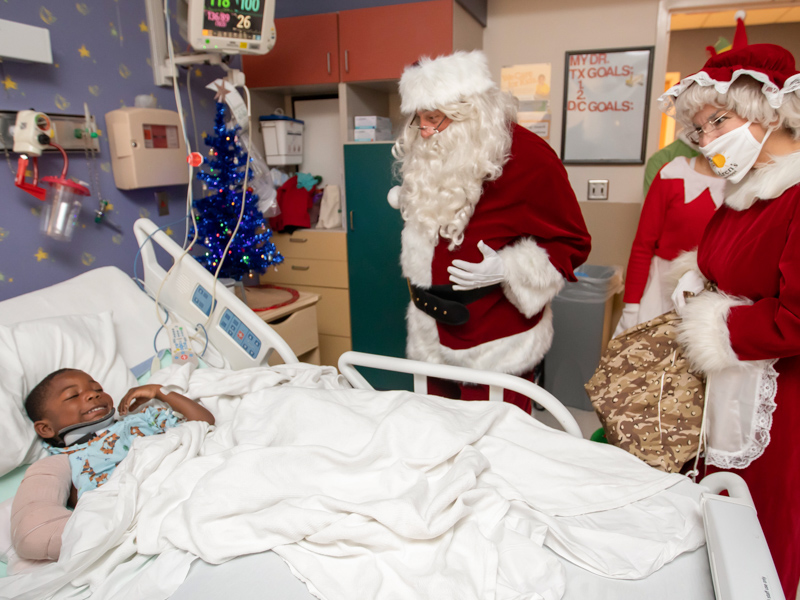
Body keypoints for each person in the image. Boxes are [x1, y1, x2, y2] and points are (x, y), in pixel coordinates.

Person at [660, 42, 800, 597]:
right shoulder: (746, 191)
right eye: (698, 130)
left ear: (768, 108)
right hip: (729, 381)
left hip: (777, 399)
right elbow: (735, 263)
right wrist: (697, 275)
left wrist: (712, 320)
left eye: (718, 120)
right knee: (720, 510)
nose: (708, 139)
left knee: (764, 527)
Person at [388, 50, 591, 414]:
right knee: (434, 440)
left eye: (434, 119)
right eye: (419, 119)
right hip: (429, 331)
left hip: (495, 344)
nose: (425, 131)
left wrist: (508, 270)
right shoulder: (432, 148)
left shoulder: (531, 158)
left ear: (472, 112)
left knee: (499, 451)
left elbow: (572, 242)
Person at [11, 368, 214, 561]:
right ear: (46, 428)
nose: (93, 395)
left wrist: (159, 391)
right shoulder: (65, 461)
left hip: (182, 479)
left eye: (98, 389)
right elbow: (87, 507)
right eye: (73, 395)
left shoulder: (143, 419)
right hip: (137, 512)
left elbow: (203, 423)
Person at [613, 153, 725, 336]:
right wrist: (631, 308)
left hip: (714, 296)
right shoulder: (672, 174)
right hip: (661, 290)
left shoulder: (748, 184)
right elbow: (643, 246)